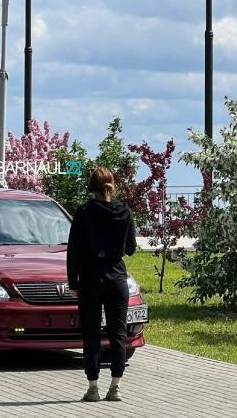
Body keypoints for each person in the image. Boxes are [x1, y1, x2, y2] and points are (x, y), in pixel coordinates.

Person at [67, 167, 137, 402]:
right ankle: (115, 386)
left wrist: (72, 280)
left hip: (90, 278)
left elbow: (73, 250)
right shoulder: (125, 211)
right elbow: (130, 248)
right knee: (118, 333)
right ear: (111, 185)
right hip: (117, 278)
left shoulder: (84, 212)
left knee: (91, 333)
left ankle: (93, 387)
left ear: (91, 186)